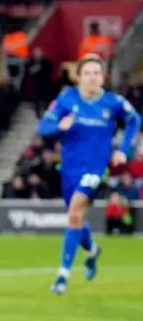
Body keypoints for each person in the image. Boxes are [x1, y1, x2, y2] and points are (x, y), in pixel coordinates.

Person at [38, 55, 139, 294]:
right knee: (76, 218)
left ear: (103, 77)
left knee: (74, 213)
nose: (93, 77)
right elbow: (43, 127)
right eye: (88, 73)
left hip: (96, 169)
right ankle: (92, 250)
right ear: (80, 77)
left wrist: (123, 150)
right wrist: (58, 127)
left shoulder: (113, 102)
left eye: (97, 73)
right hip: (69, 168)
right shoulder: (67, 99)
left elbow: (135, 120)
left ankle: (62, 275)